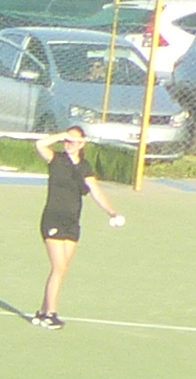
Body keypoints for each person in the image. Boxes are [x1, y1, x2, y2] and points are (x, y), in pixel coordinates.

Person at [26, 122, 125, 328]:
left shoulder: (85, 167)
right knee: (58, 267)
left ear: (81, 144)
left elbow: (96, 192)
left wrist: (112, 211)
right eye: (67, 140)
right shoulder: (56, 159)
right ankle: (51, 314)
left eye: (73, 141)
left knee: (62, 269)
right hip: (53, 219)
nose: (69, 143)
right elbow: (39, 144)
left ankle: (42, 312)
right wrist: (62, 134)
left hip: (72, 222)